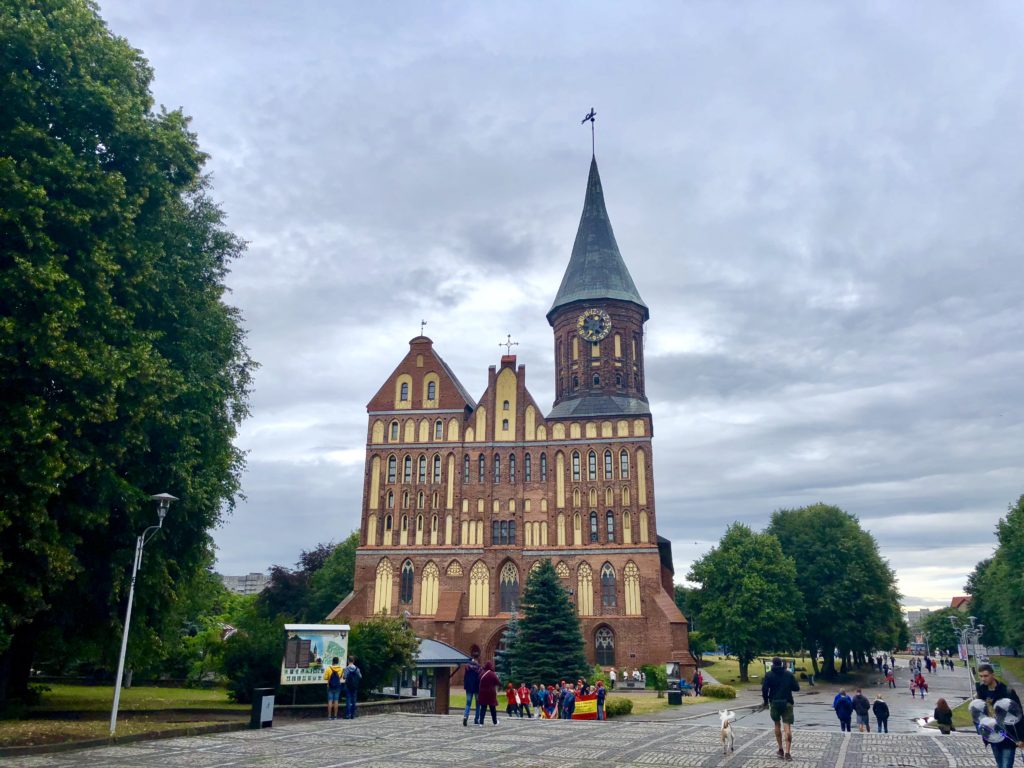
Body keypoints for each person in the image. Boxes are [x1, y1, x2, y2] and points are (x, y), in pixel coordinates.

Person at [975, 662, 1024, 768]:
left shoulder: (1007, 691)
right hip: (993, 734)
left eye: (986, 676)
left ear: (993, 675)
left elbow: (1018, 715)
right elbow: (978, 713)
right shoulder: (981, 691)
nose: (983, 679)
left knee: (1006, 765)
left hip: (1008, 735)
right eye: (981, 676)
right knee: (1000, 764)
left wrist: (1021, 738)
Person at [761, 655, 800, 762]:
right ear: (782, 664)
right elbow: (796, 688)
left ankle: (780, 749)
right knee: (787, 727)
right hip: (787, 702)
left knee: (777, 725)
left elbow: (764, 689)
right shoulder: (788, 674)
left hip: (774, 702)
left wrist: (765, 702)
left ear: (773, 664)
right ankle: (788, 752)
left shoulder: (768, 675)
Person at [323, 656, 344, 720]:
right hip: (337, 686)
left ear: (332, 661)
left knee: (330, 701)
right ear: (338, 662)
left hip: (330, 686)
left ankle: (329, 716)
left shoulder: (328, 669)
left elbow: (325, 677)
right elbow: (340, 677)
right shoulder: (340, 669)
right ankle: (335, 716)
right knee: (336, 701)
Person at [463, 652, 481, 726]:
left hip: (469, 687)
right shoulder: (479, 668)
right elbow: (480, 678)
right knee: (478, 704)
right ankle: (476, 719)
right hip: (476, 687)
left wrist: (465, 686)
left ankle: (465, 716)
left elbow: (465, 677)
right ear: (478, 657)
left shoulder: (467, 667)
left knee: (468, 703)